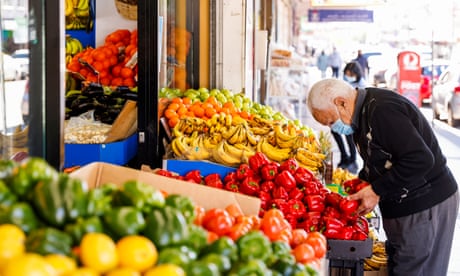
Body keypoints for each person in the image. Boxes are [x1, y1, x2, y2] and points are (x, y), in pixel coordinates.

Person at [307, 78, 459, 276]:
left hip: (425, 204)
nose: (332, 128)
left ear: (341, 102)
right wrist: (364, 182)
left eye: (330, 121)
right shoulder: (360, 116)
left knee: (415, 270)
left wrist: (376, 190)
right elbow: (380, 157)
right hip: (402, 206)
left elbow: (420, 159)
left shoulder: (383, 111)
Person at [331, 61, 366, 173]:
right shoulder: (344, 81)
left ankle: (352, 160)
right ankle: (344, 156)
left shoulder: (362, 85)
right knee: (334, 131)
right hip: (342, 113)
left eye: (350, 74)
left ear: (356, 74)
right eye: (347, 74)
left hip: (354, 116)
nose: (348, 76)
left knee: (349, 137)